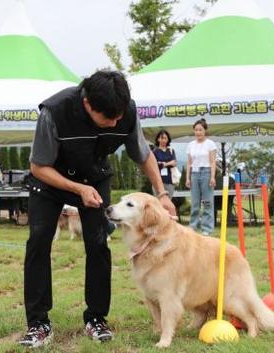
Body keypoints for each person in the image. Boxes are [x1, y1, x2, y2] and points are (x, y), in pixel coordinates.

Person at [18, 70, 176, 348]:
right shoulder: (54, 112)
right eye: (109, 118)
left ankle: (96, 318)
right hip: (50, 179)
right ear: (88, 104)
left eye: (119, 116)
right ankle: (39, 323)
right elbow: (37, 166)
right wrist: (76, 189)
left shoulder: (124, 111)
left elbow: (142, 153)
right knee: (39, 242)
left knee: (98, 242)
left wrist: (161, 193)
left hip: (94, 177)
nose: (116, 122)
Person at [185, 119, 217, 236]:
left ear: (205, 130)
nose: (198, 132)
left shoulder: (210, 144)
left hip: (206, 173)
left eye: (200, 130)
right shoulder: (190, 145)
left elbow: (213, 162)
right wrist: (187, 178)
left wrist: (212, 177)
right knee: (195, 202)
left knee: (207, 202)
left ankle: (207, 229)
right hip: (194, 174)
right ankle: (193, 226)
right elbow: (189, 163)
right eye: (196, 130)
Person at [152, 129, 177, 199]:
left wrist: (164, 164)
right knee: (158, 202)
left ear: (168, 140)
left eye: (165, 138)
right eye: (161, 138)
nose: (163, 140)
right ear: (158, 139)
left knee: (169, 201)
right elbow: (155, 165)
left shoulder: (171, 151)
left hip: (169, 181)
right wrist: (169, 163)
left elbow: (174, 163)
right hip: (157, 181)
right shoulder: (154, 152)